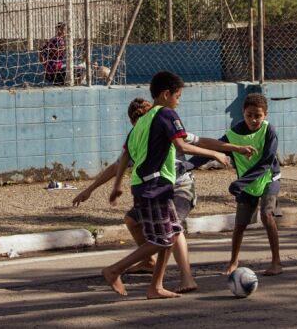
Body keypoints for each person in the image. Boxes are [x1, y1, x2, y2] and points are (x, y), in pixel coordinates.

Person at [73, 97, 256, 293]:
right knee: (133, 220)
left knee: (172, 227)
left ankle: (186, 277)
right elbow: (118, 165)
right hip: (155, 190)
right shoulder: (138, 135)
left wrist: (233, 149)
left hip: (181, 187)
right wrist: (90, 189)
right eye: (138, 120)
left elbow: (201, 141)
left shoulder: (165, 127)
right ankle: (149, 263)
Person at [102, 71, 231, 299]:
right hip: (154, 187)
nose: (178, 101)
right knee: (161, 239)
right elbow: (182, 146)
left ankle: (156, 286)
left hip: (151, 186)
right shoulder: (166, 114)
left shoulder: (141, 123)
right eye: (178, 96)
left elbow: (124, 156)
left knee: (171, 233)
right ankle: (114, 270)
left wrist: (117, 185)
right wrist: (215, 153)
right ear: (166, 94)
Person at [191, 93, 283, 276]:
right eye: (249, 115)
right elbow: (214, 149)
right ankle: (233, 262)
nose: (253, 120)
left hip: (268, 179)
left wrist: (240, 182)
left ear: (265, 115)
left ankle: (276, 262)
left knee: (266, 215)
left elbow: (266, 163)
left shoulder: (269, 132)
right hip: (246, 184)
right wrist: (188, 165)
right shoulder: (235, 134)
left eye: (258, 115)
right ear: (243, 113)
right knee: (240, 224)